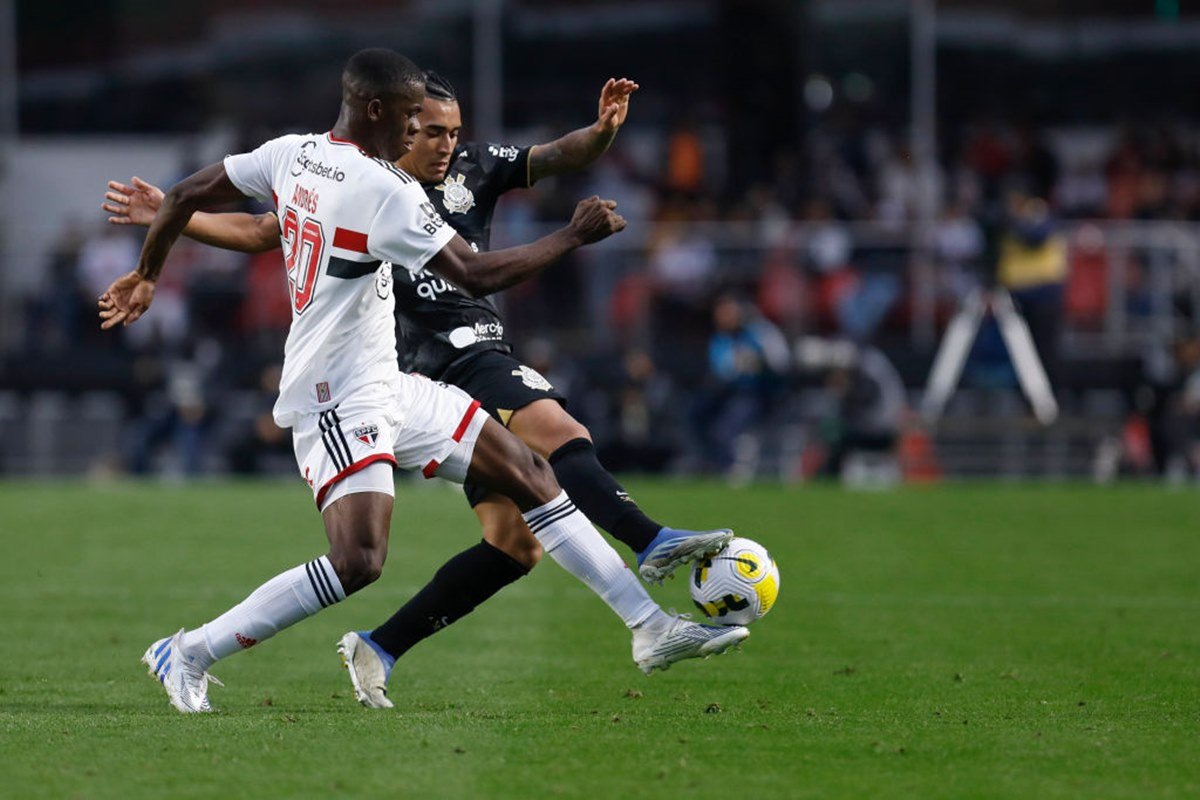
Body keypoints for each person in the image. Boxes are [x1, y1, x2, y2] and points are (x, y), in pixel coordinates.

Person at [99, 49, 746, 714]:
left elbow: (180, 196)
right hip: (337, 396)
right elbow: (477, 275)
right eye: (412, 117)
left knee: (531, 471)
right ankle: (190, 651)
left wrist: (148, 271)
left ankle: (650, 627)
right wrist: (572, 236)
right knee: (359, 562)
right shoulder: (385, 191)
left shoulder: (291, 153)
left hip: (391, 380)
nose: (417, 132)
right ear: (376, 110)